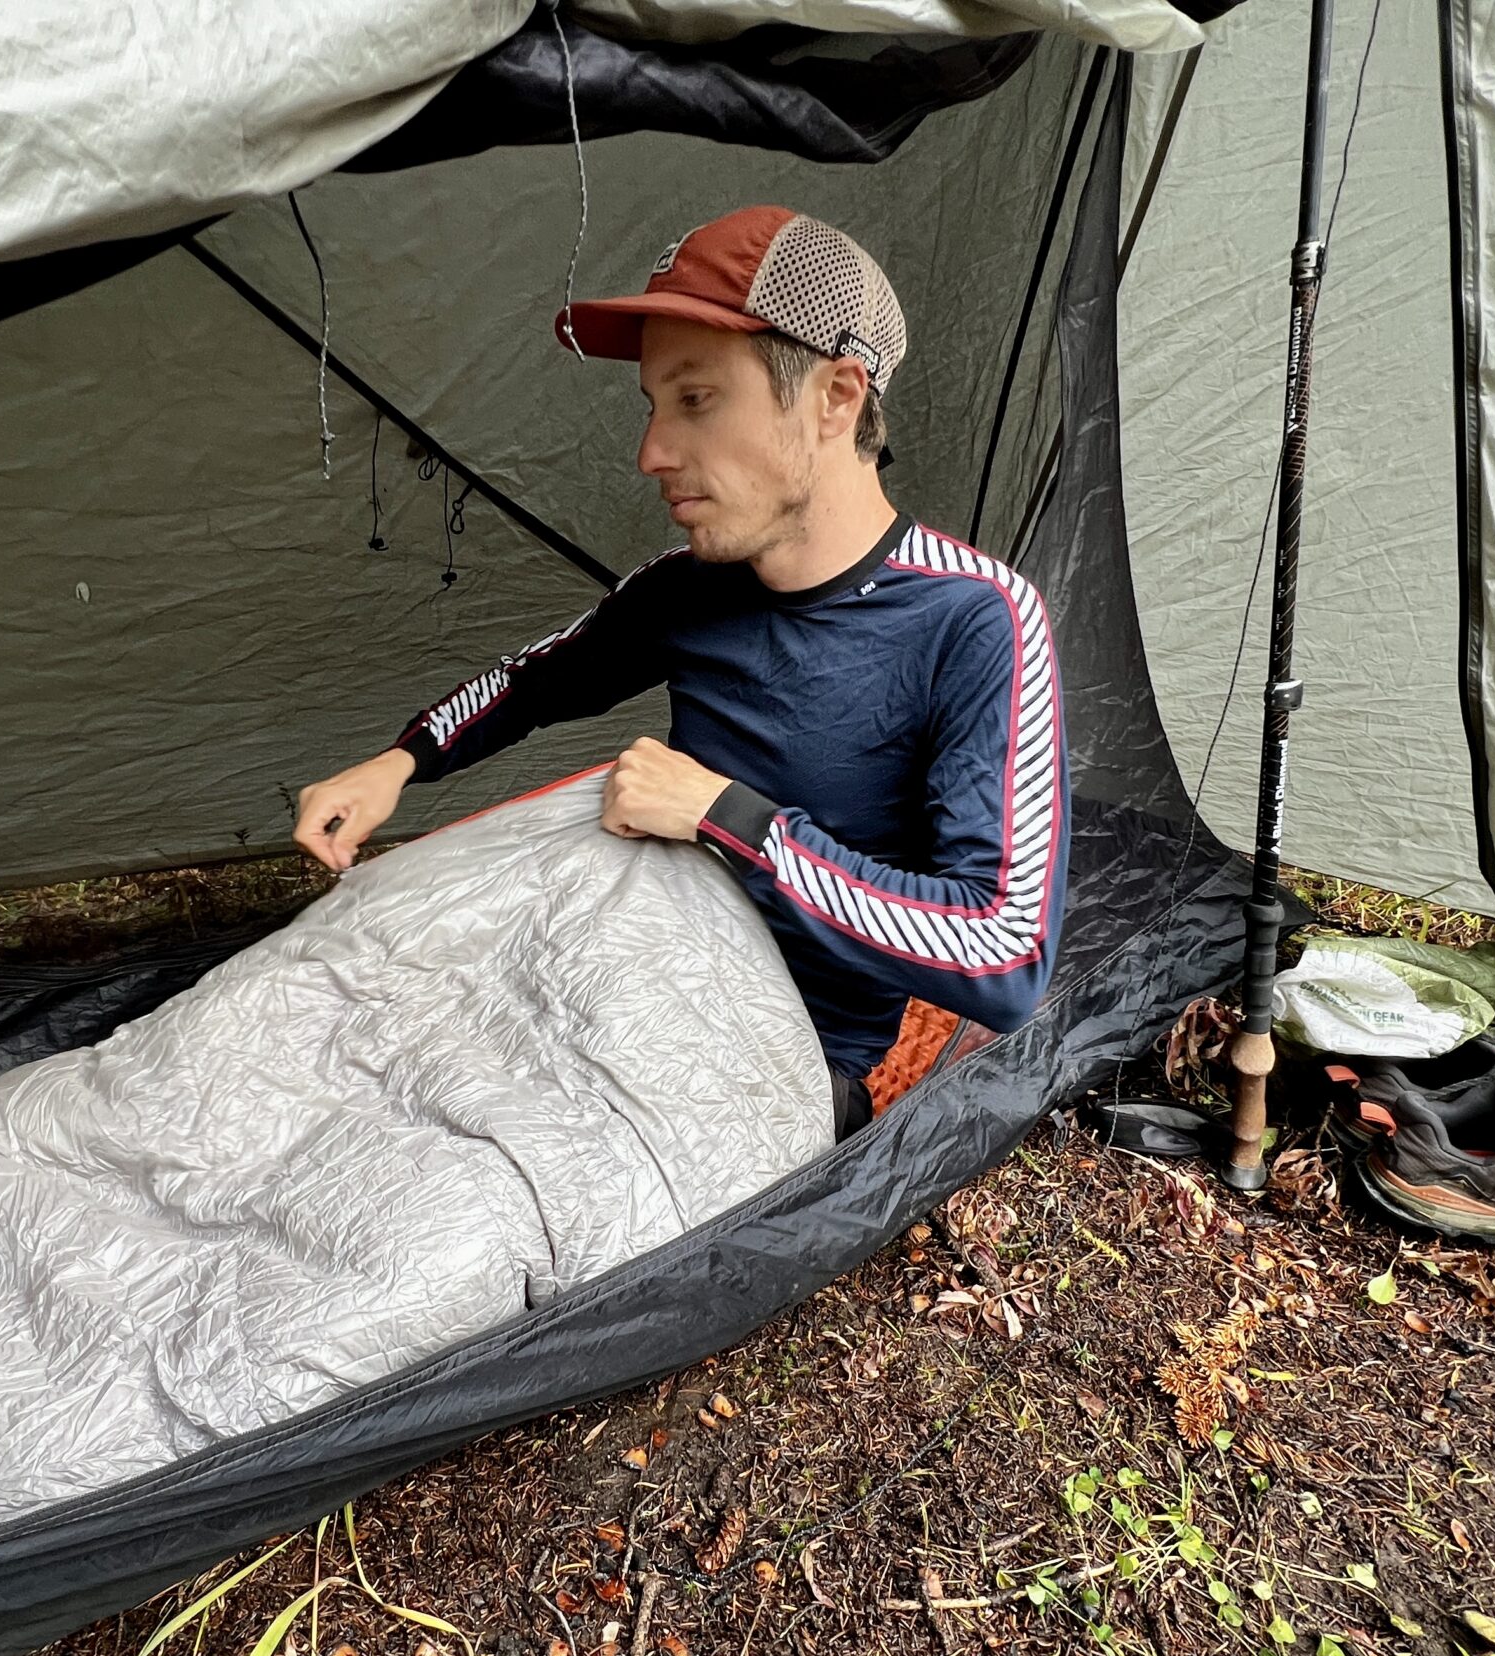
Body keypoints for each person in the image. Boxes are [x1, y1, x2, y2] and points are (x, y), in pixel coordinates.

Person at [293, 205, 1068, 1138]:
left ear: (837, 397)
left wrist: (727, 817)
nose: (651, 453)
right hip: (616, 975)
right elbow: (534, 681)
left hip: (777, 1062)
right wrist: (400, 762)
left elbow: (1002, 955)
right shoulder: (689, 588)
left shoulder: (976, 617)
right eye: (652, 407)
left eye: (695, 399)